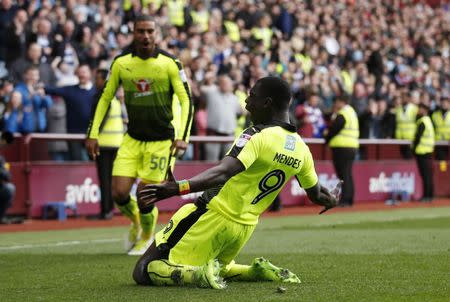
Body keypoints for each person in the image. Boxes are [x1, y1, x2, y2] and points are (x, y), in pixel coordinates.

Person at [132, 77, 340, 289]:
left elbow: (224, 172)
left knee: (144, 270)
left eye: (252, 96)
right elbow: (316, 194)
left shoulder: (257, 134)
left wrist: (179, 187)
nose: (247, 103)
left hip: (211, 215)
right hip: (244, 228)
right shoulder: (302, 149)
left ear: (267, 103)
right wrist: (332, 199)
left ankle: (199, 276)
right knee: (218, 266)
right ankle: (254, 271)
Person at [85, 15, 193, 255]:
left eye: (150, 31)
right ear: (133, 34)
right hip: (132, 139)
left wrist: (183, 135)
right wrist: (92, 133)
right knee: (119, 194)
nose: (145, 36)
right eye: (140, 31)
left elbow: (187, 100)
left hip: (161, 141)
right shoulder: (122, 63)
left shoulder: (170, 63)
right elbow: (105, 97)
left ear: (157, 35)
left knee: (146, 195)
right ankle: (135, 221)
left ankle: (146, 236)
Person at [87, 69, 125, 220]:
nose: (96, 81)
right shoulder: (114, 98)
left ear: (104, 80)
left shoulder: (103, 97)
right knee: (111, 179)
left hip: (104, 144)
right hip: (116, 143)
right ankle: (110, 209)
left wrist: (91, 137)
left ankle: (106, 211)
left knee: (105, 180)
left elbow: (99, 120)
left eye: (97, 78)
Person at [45, 65, 96, 161]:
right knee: (76, 161)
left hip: (93, 134)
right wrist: (40, 88)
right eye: (80, 72)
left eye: (84, 72)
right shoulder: (70, 90)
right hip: (74, 133)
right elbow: (51, 90)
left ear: (90, 74)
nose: (82, 75)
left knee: (94, 162)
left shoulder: (97, 91)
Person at [325, 95, 359, 207]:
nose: (335, 104)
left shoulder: (343, 114)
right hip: (352, 146)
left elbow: (334, 129)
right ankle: (349, 199)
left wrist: (326, 138)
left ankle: (345, 200)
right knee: (348, 174)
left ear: (341, 101)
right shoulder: (352, 112)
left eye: (337, 101)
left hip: (342, 147)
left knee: (343, 175)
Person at [413, 103, 435, 202]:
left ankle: (426, 196)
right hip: (429, 151)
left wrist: (413, 148)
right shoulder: (429, 121)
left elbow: (418, 137)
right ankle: (430, 195)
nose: (418, 111)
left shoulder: (422, 122)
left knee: (425, 175)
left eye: (420, 109)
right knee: (429, 175)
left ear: (424, 110)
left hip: (422, 151)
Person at [395, 91, 418, 159]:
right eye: (402, 97)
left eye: (405, 97)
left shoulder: (414, 108)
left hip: (410, 138)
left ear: (409, 98)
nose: (403, 99)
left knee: (410, 157)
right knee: (403, 157)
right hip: (400, 138)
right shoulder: (398, 109)